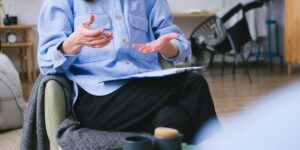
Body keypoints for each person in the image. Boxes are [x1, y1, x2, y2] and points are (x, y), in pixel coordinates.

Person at [38, 0, 219, 143]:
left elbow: (178, 45)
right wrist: (72, 43)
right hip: (98, 100)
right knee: (193, 84)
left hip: (146, 93)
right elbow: (46, 62)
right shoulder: (62, 2)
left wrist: (166, 47)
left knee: (176, 119)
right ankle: (222, 143)